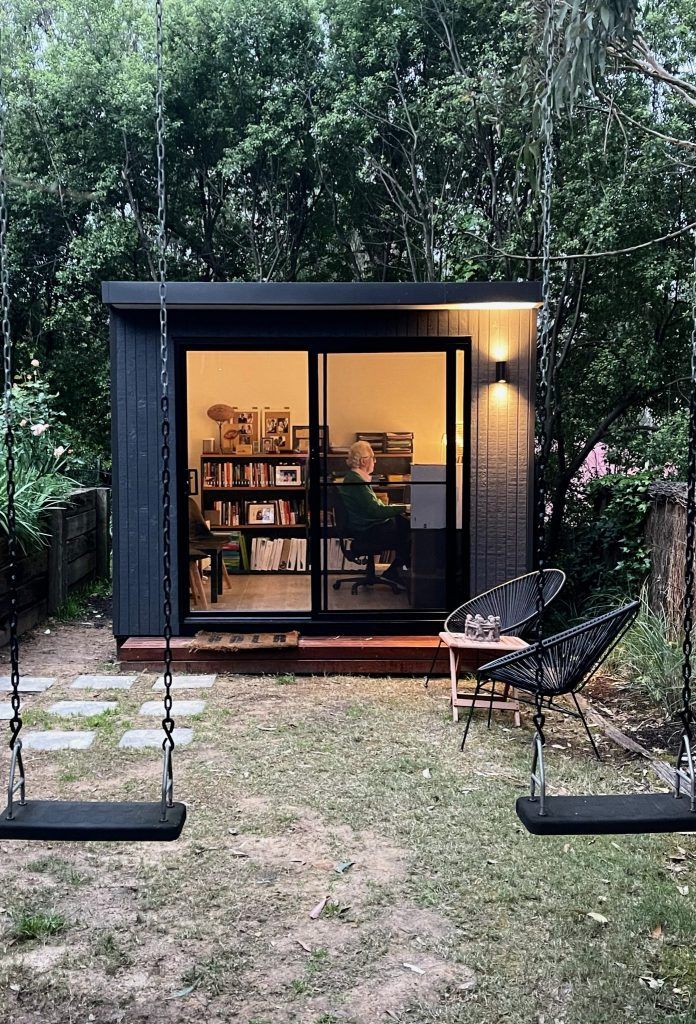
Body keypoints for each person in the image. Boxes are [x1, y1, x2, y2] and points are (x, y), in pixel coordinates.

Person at [338, 440, 410, 587]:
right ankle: (395, 572)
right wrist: (405, 508)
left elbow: (373, 506)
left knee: (404, 526)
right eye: (373, 458)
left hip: (365, 527)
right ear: (364, 461)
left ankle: (396, 572)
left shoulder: (354, 478)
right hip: (367, 530)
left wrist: (395, 508)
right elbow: (375, 511)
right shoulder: (357, 482)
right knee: (411, 532)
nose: (375, 461)